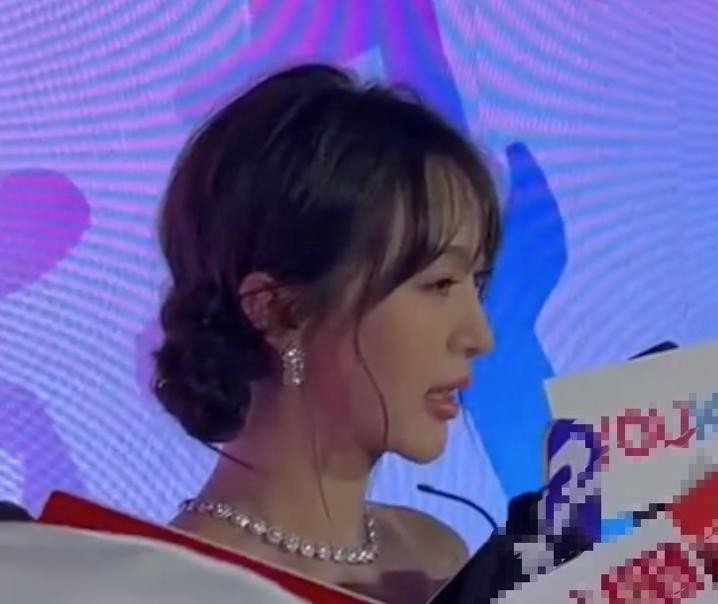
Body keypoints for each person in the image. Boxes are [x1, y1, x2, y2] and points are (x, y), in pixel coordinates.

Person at [152, 63, 499, 604]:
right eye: (439, 284)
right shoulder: (168, 588)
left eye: (476, 283)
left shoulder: (438, 557)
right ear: (280, 312)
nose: (479, 336)